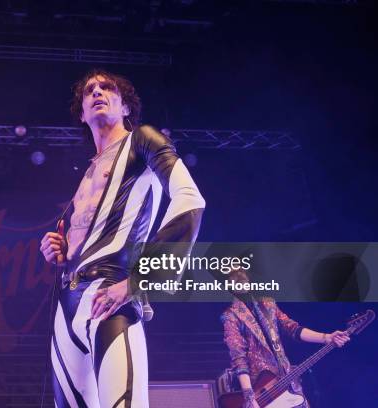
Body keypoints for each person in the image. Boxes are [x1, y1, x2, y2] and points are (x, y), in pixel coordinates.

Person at [40, 69, 205, 407]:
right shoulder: (86, 173)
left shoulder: (142, 140)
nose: (97, 91)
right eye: (89, 91)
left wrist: (140, 280)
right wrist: (58, 248)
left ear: (126, 107)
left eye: (107, 87)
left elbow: (190, 199)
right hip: (66, 305)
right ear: (82, 114)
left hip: (109, 293)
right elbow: (88, 239)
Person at [221, 268, 350, 408]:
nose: (240, 279)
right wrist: (249, 397)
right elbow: (238, 358)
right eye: (234, 278)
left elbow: (293, 328)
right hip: (263, 388)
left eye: (241, 275)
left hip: (286, 378)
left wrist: (327, 337)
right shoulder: (231, 316)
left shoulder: (268, 304)